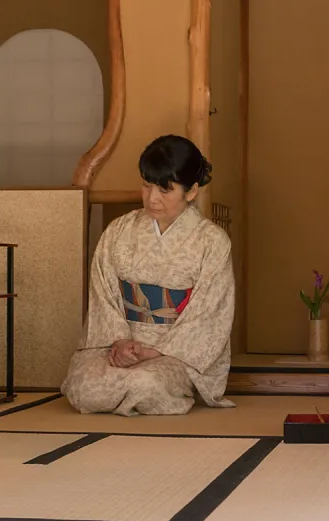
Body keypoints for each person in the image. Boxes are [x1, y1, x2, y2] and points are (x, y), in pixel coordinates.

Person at [62, 134, 235, 416]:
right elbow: (103, 294)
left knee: (147, 382)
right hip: (120, 344)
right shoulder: (119, 231)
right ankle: (130, 389)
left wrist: (156, 352)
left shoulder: (212, 242)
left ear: (190, 191)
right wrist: (119, 342)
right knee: (84, 385)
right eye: (146, 185)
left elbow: (210, 313)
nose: (152, 198)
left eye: (165, 190)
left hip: (174, 352)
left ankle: (153, 389)